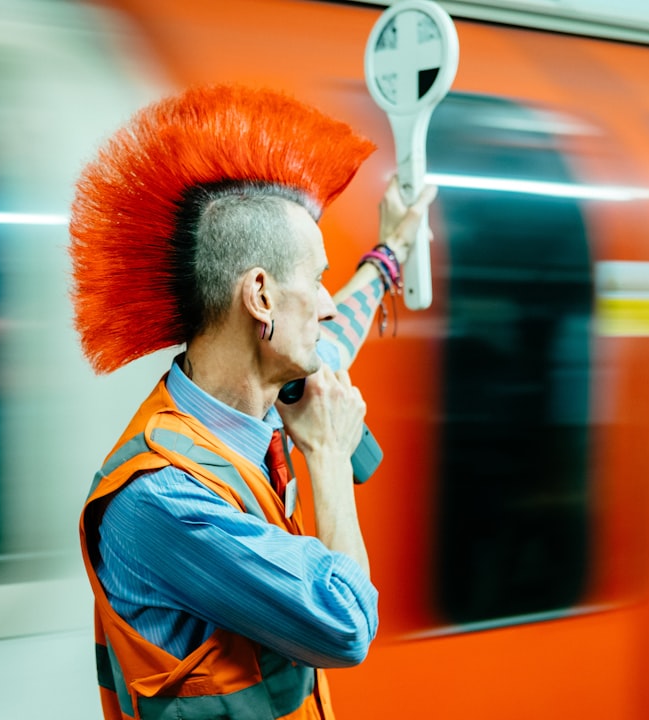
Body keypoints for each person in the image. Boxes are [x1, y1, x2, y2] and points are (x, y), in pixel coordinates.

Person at [71, 84, 435, 719]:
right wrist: (324, 454)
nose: (327, 302)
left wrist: (389, 254)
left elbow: (335, 331)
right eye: (317, 278)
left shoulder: (259, 402)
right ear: (261, 297)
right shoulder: (162, 497)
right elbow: (345, 628)